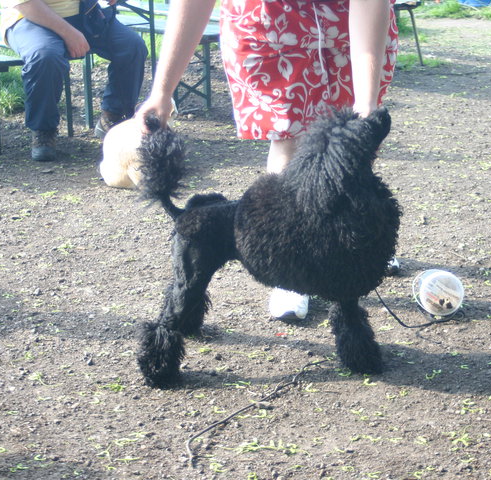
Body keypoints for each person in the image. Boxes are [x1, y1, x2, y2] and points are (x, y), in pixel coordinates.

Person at [135, 0, 398, 319]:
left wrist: (366, 105)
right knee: (289, 136)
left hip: (349, 21)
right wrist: (162, 90)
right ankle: (290, 267)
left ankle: (356, 247)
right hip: (270, 22)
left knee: (352, 145)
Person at [0, 0, 148, 162]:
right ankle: (43, 130)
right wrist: (69, 33)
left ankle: (113, 117)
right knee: (45, 56)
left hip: (86, 14)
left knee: (132, 46)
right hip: (30, 18)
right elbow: (26, 4)